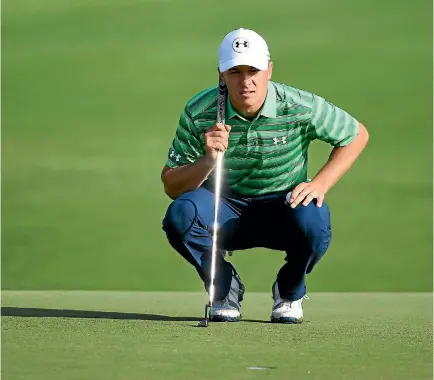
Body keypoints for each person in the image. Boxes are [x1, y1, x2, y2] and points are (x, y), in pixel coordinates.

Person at [161, 28, 369, 323]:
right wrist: (207, 161)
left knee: (315, 218)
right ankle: (223, 287)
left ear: (269, 70)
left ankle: (289, 290)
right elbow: (171, 185)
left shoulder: (297, 105)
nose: (246, 82)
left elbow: (356, 134)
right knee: (180, 215)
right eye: (235, 71)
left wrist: (320, 183)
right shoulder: (200, 111)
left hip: (283, 208)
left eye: (253, 70)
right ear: (221, 74)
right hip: (223, 207)